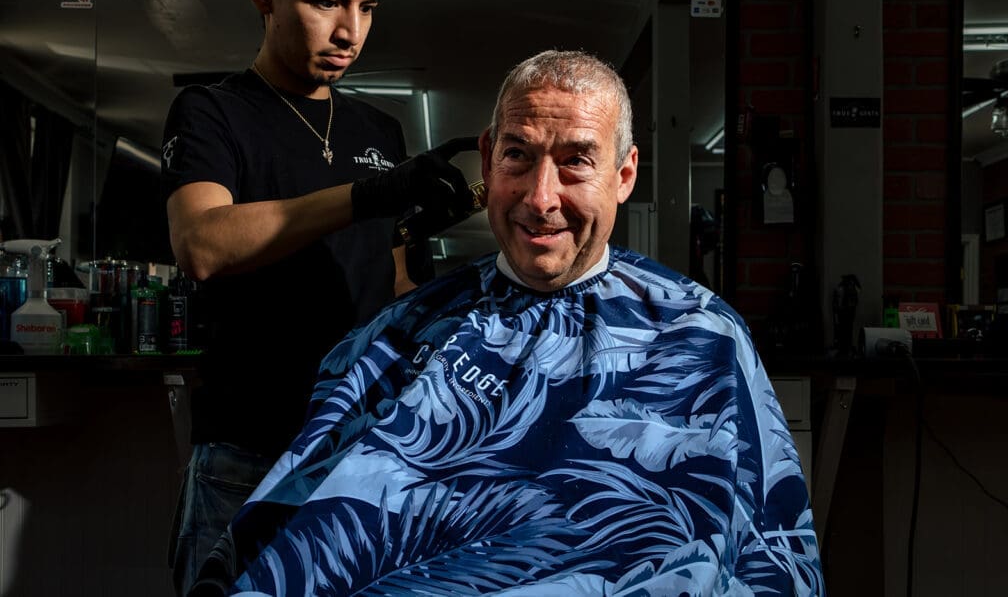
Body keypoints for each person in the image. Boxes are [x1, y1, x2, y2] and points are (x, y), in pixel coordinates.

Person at [190, 50, 825, 596]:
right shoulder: (400, 335)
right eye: (518, 156)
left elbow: (770, 553)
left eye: (576, 161)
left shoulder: (701, 336)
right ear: (488, 160)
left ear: (623, 174)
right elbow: (294, 541)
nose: (540, 198)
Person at [159, 0, 476, 594]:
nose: (350, 32)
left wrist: (438, 257)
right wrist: (366, 194)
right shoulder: (212, 113)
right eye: (325, 1)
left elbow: (390, 285)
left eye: (366, 9)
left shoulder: (378, 130)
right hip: (247, 452)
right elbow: (202, 244)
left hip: (357, 452)